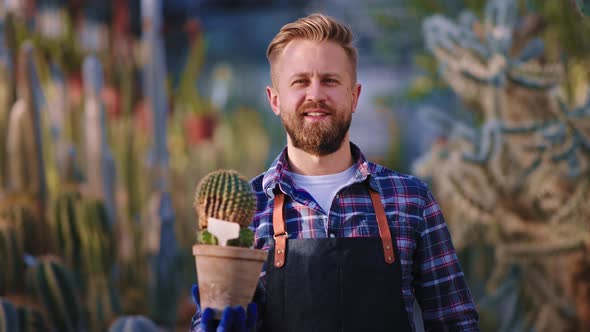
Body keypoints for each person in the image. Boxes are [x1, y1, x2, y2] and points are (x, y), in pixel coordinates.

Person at [191, 13, 479, 332]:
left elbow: (456, 323)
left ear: (353, 96)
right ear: (275, 100)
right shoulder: (243, 210)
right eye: (300, 81)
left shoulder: (411, 200)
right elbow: (209, 316)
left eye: (330, 80)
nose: (315, 94)